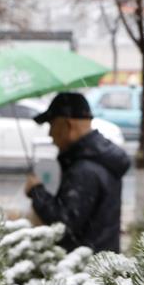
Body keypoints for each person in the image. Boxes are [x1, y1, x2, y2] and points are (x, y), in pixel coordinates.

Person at [23, 92, 130, 253]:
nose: (50, 134)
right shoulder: (99, 159)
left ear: (67, 125)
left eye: (52, 125)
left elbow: (63, 227)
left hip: (84, 269)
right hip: (101, 262)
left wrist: (36, 191)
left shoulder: (84, 170)